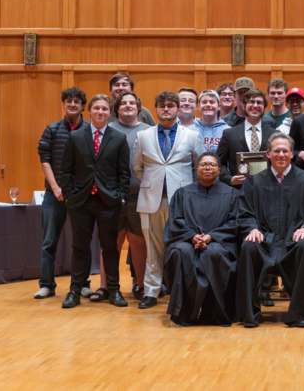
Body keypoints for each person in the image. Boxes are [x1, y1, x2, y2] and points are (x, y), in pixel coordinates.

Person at [236, 132, 304, 328]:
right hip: (265, 241)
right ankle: (250, 313)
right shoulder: (254, 182)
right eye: (276, 151)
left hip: (293, 242)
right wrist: (252, 228)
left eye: (285, 151)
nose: (281, 155)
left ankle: (302, 314)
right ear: (268, 154)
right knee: (249, 246)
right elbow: (244, 212)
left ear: (292, 154)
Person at [58, 94, 130, 309]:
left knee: (110, 247)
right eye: (97, 108)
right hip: (81, 201)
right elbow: (65, 170)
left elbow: (124, 173)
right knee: (80, 246)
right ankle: (75, 291)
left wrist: (119, 195)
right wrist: (70, 195)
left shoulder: (119, 138)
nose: (100, 112)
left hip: (108, 201)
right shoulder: (75, 137)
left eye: (104, 109)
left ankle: (114, 290)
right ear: (89, 111)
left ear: (110, 113)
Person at [133, 91, 199, 309]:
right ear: (156, 109)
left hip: (182, 201)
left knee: (182, 245)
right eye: (162, 105)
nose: (166, 109)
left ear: (178, 108)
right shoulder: (143, 135)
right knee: (153, 248)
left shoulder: (192, 135)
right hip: (151, 198)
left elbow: (198, 165)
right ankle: (151, 291)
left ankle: (181, 289)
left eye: (170, 105)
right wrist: (153, 182)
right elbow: (137, 167)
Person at [163, 153, 239, 326]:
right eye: (203, 164)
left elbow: (234, 222)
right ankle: (184, 313)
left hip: (220, 242)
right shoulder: (182, 194)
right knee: (181, 252)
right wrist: (192, 236)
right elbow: (175, 221)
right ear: (196, 169)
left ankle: (215, 313)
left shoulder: (232, 194)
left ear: (219, 169)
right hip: (187, 240)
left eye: (212, 165)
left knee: (213, 253)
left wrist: (211, 237)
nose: (208, 167)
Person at [92, 92, 149, 302]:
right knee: (110, 242)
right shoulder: (108, 129)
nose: (127, 106)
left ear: (138, 107)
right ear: (116, 108)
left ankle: (141, 285)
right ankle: (105, 286)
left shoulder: (148, 131)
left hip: (139, 194)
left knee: (138, 241)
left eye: (132, 103)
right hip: (111, 195)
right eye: (123, 103)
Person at [35, 87, 91, 299]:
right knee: (49, 241)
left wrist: (80, 190)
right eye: (69, 101)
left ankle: (82, 283)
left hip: (81, 195)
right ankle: (46, 284)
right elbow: (45, 160)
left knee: (82, 241)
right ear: (64, 104)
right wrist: (56, 187)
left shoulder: (89, 130)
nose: (72, 104)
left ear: (82, 106)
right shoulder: (51, 129)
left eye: (77, 101)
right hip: (54, 194)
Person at [216, 89, 273, 188]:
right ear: (244, 105)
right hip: (238, 191)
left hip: (268, 190)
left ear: (264, 107)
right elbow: (219, 162)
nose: (255, 105)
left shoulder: (274, 134)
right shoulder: (229, 134)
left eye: (259, 102)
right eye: (251, 102)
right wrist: (229, 179)